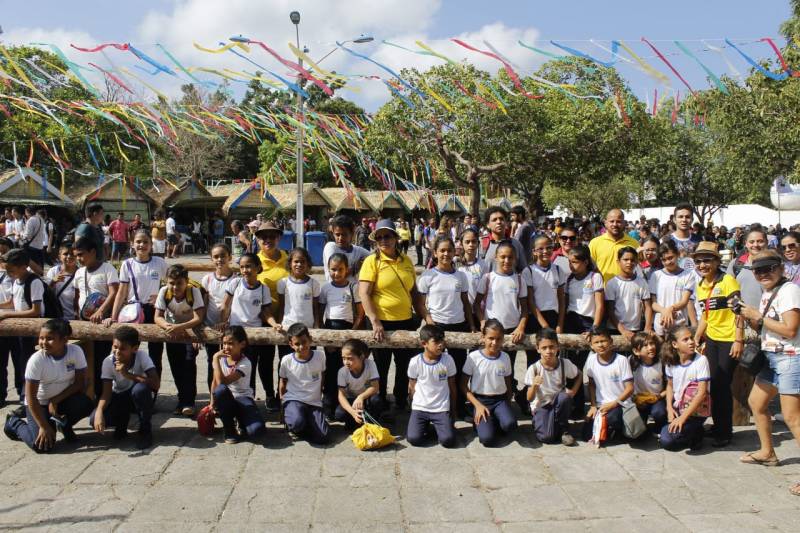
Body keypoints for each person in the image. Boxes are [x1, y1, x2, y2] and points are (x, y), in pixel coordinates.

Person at [738, 250, 800, 496]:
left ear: (781, 268)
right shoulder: (768, 292)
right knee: (756, 402)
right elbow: (766, 325)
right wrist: (747, 315)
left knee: (792, 417)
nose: (763, 274)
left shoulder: (790, 291)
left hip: (790, 357)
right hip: (771, 357)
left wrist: (758, 318)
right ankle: (767, 452)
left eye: (769, 268)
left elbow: (791, 329)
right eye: (758, 270)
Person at [359, 219, 424, 410]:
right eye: (379, 237)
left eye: (387, 236)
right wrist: (374, 321)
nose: (383, 240)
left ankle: (401, 399)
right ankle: (380, 401)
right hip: (382, 323)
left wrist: (426, 316)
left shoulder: (407, 261)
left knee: (404, 364)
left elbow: (414, 292)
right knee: (381, 365)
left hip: (405, 320)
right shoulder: (372, 261)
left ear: (396, 238)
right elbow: (364, 293)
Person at [3, 319, 93, 453]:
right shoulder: (36, 360)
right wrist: (43, 427)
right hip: (38, 403)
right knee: (40, 446)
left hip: (61, 400)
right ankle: (14, 422)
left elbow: (80, 383)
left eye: (49, 338)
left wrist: (55, 400)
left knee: (86, 403)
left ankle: (64, 426)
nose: (44, 342)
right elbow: (31, 397)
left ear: (64, 340)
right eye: (41, 338)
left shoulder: (76, 351)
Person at [417, 235, 475, 416]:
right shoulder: (428, 276)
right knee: (437, 366)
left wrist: (472, 325)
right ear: (434, 253)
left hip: (458, 325)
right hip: (437, 326)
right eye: (442, 250)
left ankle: (458, 406)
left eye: (449, 250)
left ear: (454, 252)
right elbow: (420, 303)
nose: (446, 254)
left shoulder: (461, 276)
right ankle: (438, 405)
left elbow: (466, 303)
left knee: (458, 367)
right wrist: (429, 321)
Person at [693, 241, 743, 448]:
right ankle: (718, 425)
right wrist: (697, 336)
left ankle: (725, 432)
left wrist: (739, 339)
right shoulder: (701, 284)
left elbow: (739, 311)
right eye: (698, 261)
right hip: (712, 339)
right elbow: (706, 315)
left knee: (722, 385)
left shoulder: (728, 281)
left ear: (716, 261)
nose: (703, 265)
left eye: (707, 260)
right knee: (713, 384)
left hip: (729, 339)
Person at [221, 252, 281, 405]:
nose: (245, 270)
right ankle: (249, 400)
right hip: (237, 333)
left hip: (256, 334)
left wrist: (274, 324)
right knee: (247, 369)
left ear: (258, 268)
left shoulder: (263, 289)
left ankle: (268, 396)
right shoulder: (235, 283)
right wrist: (222, 322)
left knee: (261, 366)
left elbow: (265, 312)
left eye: (248, 266)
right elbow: (225, 305)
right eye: (242, 267)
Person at [106, 229, 168, 372]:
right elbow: (121, 292)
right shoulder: (127, 264)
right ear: (132, 244)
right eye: (138, 242)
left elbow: (171, 282)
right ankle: (128, 383)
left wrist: (161, 296)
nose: (142, 245)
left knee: (155, 352)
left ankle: (153, 388)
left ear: (151, 244)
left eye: (146, 242)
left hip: (154, 311)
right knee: (128, 350)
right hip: (133, 312)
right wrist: (114, 317)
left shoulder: (159, 262)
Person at [90, 326, 159, 449]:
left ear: (134, 349)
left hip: (137, 396)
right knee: (93, 419)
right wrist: (99, 411)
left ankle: (145, 430)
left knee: (140, 390)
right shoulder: (108, 362)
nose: (117, 352)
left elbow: (155, 384)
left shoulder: (141, 356)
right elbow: (106, 394)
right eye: (115, 347)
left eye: (122, 349)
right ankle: (121, 423)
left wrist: (128, 375)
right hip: (120, 397)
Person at [0, 249, 50, 411]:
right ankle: (23, 396)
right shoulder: (16, 281)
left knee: (28, 365)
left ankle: (27, 399)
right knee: (20, 363)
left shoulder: (33, 282)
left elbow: (35, 311)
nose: (8, 273)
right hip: (19, 331)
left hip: (32, 332)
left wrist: (7, 315)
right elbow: (13, 303)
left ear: (23, 267)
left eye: (11, 270)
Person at [154, 264, 205, 417]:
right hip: (173, 334)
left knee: (189, 365)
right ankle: (181, 400)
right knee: (176, 367)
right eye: (172, 283)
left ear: (186, 281)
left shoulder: (193, 291)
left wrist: (181, 327)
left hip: (190, 332)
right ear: (166, 282)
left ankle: (189, 402)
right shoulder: (164, 292)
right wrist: (168, 326)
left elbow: (199, 317)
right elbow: (157, 317)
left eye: (179, 283)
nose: (175, 287)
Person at [474, 240, 528, 382]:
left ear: (515, 259)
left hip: (511, 333)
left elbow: (525, 309)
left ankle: (506, 397)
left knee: (507, 368)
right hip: (491, 331)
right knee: (489, 366)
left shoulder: (520, 280)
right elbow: (476, 305)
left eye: (510, 257)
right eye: (503, 256)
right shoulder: (487, 278)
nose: (506, 260)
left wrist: (520, 327)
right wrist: (482, 321)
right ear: (496, 257)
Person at [73, 238, 119, 397]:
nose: (78, 258)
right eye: (76, 255)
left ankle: (103, 394)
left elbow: (114, 292)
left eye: (81, 254)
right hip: (84, 323)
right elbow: (77, 295)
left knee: (102, 359)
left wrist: (101, 311)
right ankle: (88, 394)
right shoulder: (79, 272)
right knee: (84, 360)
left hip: (102, 323)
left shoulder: (108, 268)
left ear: (92, 252)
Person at [462, 319, 517, 446]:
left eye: (498, 339)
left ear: (503, 339)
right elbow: (463, 385)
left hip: (500, 400)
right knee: (487, 439)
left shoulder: (505, 357)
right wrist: (477, 405)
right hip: (480, 400)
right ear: (483, 337)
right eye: (491, 338)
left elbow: (508, 383)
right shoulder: (473, 357)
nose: (494, 342)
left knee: (510, 425)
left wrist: (507, 405)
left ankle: (495, 419)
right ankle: (482, 423)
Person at [320, 253, 364, 412]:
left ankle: (343, 405)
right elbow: (320, 313)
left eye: (340, 269)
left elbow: (360, 313)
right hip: (331, 329)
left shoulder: (353, 287)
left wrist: (352, 333)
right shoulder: (325, 288)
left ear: (347, 270)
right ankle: (328, 405)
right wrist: (325, 337)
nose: (336, 273)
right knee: (331, 369)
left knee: (345, 368)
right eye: (333, 269)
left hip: (347, 330)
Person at [253, 222, 289, 411]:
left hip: (287, 320)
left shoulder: (289, 259)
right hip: (262, 320)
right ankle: (269, 395)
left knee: (286, 359)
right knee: (265, 360)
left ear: (279, 238)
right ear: (257, 239)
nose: (267, 239)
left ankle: (282, 393)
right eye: (263, 236)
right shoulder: (255, 262)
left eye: (272, 236)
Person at [525, 328, 581, 445]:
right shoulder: (534, 369)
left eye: (552, 347)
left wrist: (574, 391)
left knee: (564, 397)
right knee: (547, 438)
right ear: (538, 349)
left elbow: (579, 374)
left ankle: (564, 430)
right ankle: (544, 423)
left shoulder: (565, 363)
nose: (548, 351)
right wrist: (535, 386)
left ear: (557, 347)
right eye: (544, 348)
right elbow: (529, 398)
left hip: (558, 403)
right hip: (542, 406)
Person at [209, 326, 266, 444]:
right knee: (220, 390)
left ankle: (241, 420)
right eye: (224, 343)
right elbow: (215, 382)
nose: (226, 347)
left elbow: (222, 381)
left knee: (257, 431)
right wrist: (212, 404)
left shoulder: (245, 363)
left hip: (243, 398)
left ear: (242, 344)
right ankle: (229, 430)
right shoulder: (221, 359)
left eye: (230, 343)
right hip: (226, 399)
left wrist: (215, 358)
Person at [406, 324, 457, 447]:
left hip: (441, 408)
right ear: (424, 344)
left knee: (448, 440)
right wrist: (412, 404)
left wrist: (453, 410)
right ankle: (426, 427)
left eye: (442, 340)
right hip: (421, 407)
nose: (440, 344)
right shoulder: (415, 362)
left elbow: (452, 386)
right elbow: (412, 386)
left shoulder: (448, 360)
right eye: (436, 342)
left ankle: (442, 428)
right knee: (413, 438)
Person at [660, 326, 710, 451]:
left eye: (691, 338)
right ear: (675, 344)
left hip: (696, 410)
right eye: (685, 339)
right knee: (660, 415)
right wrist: (669, 408)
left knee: (667, 441)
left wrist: (682, 418)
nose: (691, 342)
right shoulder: (671, 362)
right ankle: (691, 432)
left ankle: (696, 432)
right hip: (678, 406)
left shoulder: (701, 360)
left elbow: (702, 393)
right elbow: (670, 385)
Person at [582, 327, 635, 445]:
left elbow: (630, 388)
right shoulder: (591, 360)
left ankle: (618, 430)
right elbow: (591, 384)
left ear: (611, 342)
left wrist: (613, 404)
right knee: (586, 435)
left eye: (603, 341)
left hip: (620, 404)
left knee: (613, 418)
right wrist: (593, 406)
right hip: (601, 405)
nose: (600, 345)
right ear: (591, 345)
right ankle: (608, 431)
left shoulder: (621, 360)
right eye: (596, 342)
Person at [279, 323, 329, 444]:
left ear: (310, 339)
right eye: (297, 344)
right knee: (297, 423)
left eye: (304, 342)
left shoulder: (320, 356)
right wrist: (282, 401)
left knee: (323, 437)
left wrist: (320, 393)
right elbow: (283, 381)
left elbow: (322, 375)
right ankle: (294, 422)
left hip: (314, 402)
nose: (302, 346)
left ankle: (307, 422)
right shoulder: (287, 360)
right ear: (291, 344)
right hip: (294, 399)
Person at [201, 243, 236, 388]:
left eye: (223, 256)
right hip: (211, 329)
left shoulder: (236, 280)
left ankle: (231, 396)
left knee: (230, 362)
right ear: (211, 259)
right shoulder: (207, 279)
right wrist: (200, 327)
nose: (219, 259)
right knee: (212, 363)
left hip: (229, 329)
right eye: (216, 256)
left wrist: (226, 322)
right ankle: (213, 396)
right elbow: (203, 304)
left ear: (230, 257)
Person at [648, 240, 696, 337]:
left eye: (670, 258)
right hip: (660, 326)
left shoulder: (688, 275)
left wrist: (671, 309)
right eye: (664, 260)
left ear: (677, 254)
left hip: (680, 326)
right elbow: (653, 303)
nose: (668, 262)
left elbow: (684, 301)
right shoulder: (656, 275)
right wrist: (664, 311)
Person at [605, 247, 653, 341]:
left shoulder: (642, 282)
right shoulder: (612, 283)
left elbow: (647, 307)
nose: (629, 263)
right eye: (626, 259)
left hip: (635, 329)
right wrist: (622, 330)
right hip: (615, 329)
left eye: (632, 260)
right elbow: (610, 310)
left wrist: (647, 327)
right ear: (618, 262)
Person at [335, 338, 382, 430]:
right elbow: (341, 396)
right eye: (343, 358)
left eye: (350, 359)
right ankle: (357, 419)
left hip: (366, 399)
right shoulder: (342, 372)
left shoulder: (370, 364)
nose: (346, 362)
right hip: (352, 401)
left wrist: (361, 397)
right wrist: (352, 412)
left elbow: (375, 387)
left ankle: (372, 423)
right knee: (339, 414)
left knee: (376, 400)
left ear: (361, 357)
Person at [629, 332, 667, 437]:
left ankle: (659, 427)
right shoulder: (631, 362)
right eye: (645, 346)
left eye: (652, 343)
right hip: (639, 401)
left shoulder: (661, 363)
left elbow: (670, 386)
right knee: (638, 436)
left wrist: (658, 396)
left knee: (659, 412)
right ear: (636, 351)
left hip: (657, 399)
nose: (650, 347)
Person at [589, 209, 640, 284]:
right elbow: (590, 268)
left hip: (627, 291)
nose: (615, 224)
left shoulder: (634, 244)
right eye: (612, 221)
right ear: (605, 223)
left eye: (619, 221)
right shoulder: (595, 243)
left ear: (624, 223)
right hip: (602, 292)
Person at [322, 215, 369, 283]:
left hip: (353, 292)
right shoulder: (330, 247)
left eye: (344, 234)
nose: (340, 238)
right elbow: (337, 276)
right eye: (337, 235)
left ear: (352, 233)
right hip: (334, 292)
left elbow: (374, 256)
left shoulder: (358, 251)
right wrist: (355, 268)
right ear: (333, 233)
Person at [481, 207, 527, 273]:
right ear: (488, 225)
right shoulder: (481, 244)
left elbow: (523, 270)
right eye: (494, 220)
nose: (499, 222)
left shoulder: (515, 244)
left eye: (501, 219)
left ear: (506, 222)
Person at [457, 228, 488, 314]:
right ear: (461, 244)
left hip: (477, 312)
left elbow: (485, 289)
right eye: (467, 242)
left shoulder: (483, 265)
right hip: (460, 311)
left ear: (478, 244)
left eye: (474, 241)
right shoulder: (456, 264)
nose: (471, 244)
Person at [45, 244, 77, 320]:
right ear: (59, 256)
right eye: (65, 254)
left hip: (74, 317)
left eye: (72, 254)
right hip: (55, 315)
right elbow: (45, 293)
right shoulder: (53, 271)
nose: (69, 256)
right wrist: (52, 282)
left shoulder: (81, 273)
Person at [670, 203, 702, 271]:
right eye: (680, 217)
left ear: (692, 219)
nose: (684, 220)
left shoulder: (699, 240)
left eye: (687, 217)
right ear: (674, 219)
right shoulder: (666, 240)